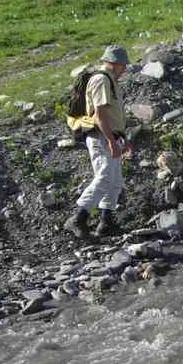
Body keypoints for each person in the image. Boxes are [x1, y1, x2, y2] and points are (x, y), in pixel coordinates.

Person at [64, 46, 132, 239]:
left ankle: (106, 222)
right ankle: (78, 218)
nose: (124, 69)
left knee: (115, 180)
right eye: (122, 65)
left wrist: (122, 139)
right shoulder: (102, 80)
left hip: (112, 135)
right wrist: (111, 141)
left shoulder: (110, 81)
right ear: (114, 63)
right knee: (103, 176)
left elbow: (114, 115)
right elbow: (100, 115)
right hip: (101, 136)